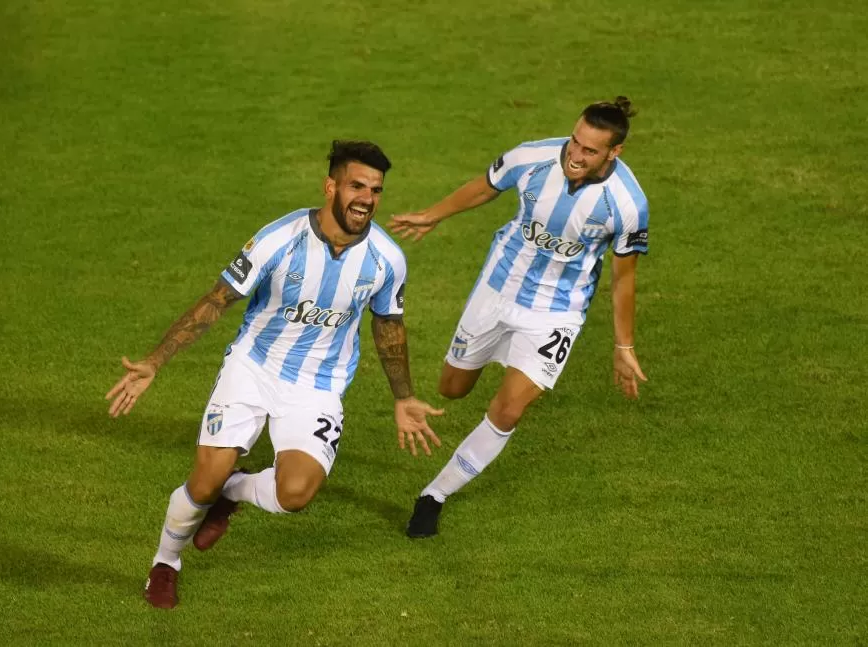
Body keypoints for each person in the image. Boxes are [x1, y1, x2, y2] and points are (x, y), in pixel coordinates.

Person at [106, 140, 443, 608]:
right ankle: (166, 563)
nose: (366, 198)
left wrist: (403, 397)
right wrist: (155, 361)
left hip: (318, 386)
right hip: (253, 367)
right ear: (331, 187)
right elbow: (217, 299)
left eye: (376, 189)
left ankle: (235, 490)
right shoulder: (278, 239)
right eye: (356, 186)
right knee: (201, 483)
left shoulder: (387, 260)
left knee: (296, 493)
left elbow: (389, 325)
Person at [388, 96, 649, 538]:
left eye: (589, 150)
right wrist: (433, 214)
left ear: (614, 152)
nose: (575, 155)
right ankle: (499, 359)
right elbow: (487, 185)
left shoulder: (627, 204)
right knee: (451, 389)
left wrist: (623, 347)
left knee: (508, 411)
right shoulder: (532, 156)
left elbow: (624, 279)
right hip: (497, 291)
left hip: (556, 313)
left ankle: (434, 495)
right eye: (574, 141)